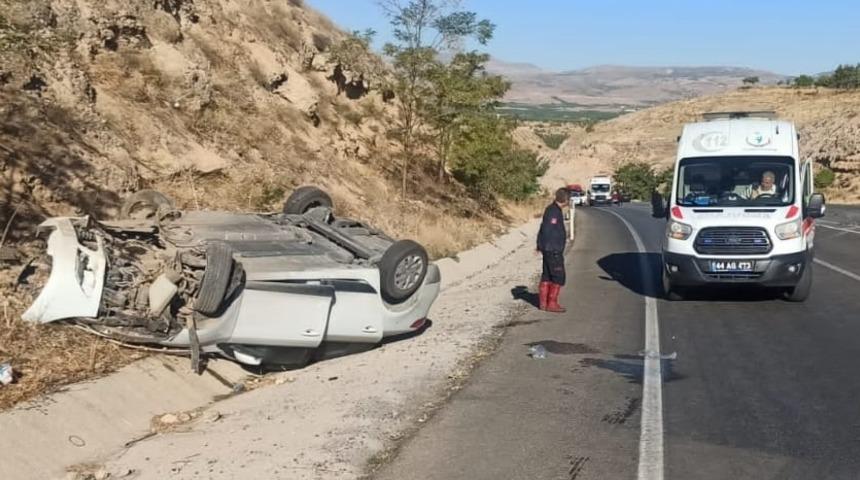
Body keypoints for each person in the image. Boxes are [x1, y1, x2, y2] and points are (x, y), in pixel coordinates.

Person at [537, 188, 569, 313]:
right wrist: (549, 247)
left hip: (548, 248)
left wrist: (540, 245)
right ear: (566, 199)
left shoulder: (552, 209)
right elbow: (547, 230)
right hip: (553, 250)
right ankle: (551, 303)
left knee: (547, 275)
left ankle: (543, 303)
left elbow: (542, 229)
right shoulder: (553, 212)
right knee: (558, 276)